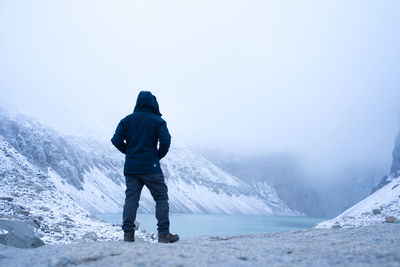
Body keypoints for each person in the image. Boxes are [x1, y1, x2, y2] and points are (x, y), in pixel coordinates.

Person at [111, 91, 179, 243]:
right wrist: (157, 156)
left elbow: (116, 140)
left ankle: (128, 235)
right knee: (161, 198)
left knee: (131, 200)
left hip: (131, 168)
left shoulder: (126, 120)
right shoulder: (158, 121)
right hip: (151, 168)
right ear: (154, 104)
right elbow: (166, 141)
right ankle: (163, 234)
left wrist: (128, 152)